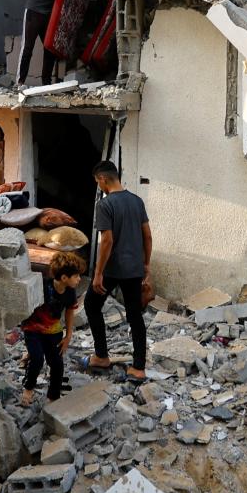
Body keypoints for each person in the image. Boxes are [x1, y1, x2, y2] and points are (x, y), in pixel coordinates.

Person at [83, 161, 152, 382]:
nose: (98, 186)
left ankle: (101, 356)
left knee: (92, 305)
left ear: (103, 179)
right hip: (134, 268)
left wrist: (98, 272)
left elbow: (107, 241)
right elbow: (147, 235)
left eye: (97, 182)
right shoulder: (137, 201)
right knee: (135, 316)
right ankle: (139, 368)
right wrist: (146, 264)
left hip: (112, 269)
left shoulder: (105, 205)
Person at [20, 252, 86, 405]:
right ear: (64, 278)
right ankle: (29, 387)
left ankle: (53, 397)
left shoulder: (70, 292)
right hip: (33, 329)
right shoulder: (43, 285)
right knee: (37, 359)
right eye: (76, 276)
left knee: (56, 363)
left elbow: (70, 311)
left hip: (53, 331)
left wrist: (68, 336)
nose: (79, 279)